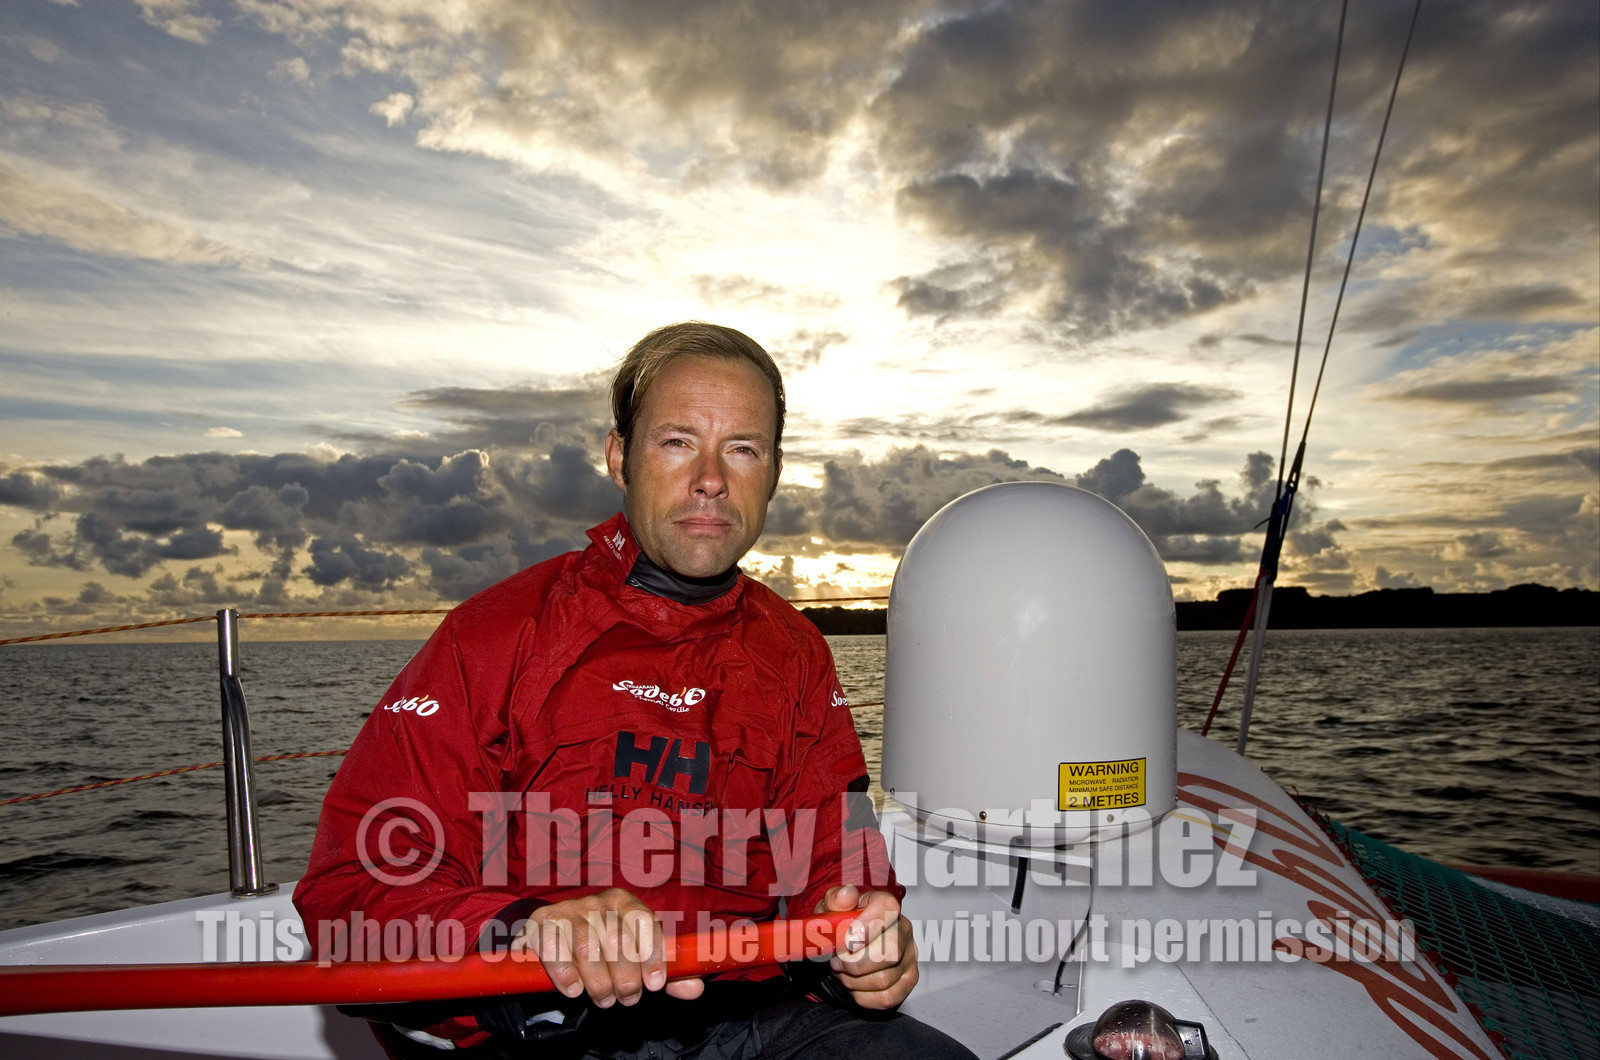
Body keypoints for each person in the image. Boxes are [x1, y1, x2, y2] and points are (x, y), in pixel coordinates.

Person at [294, 323, 976, 1059]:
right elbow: (349, 897)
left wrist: (864, 932)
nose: (711, 478)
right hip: (549, 1029)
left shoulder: (796, 652)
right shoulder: (495, 636)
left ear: (773, 470)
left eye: (742, 448)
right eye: (678, 441)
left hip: (751, 1018)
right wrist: (527, 928)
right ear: (620, 457)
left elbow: (839, 855)